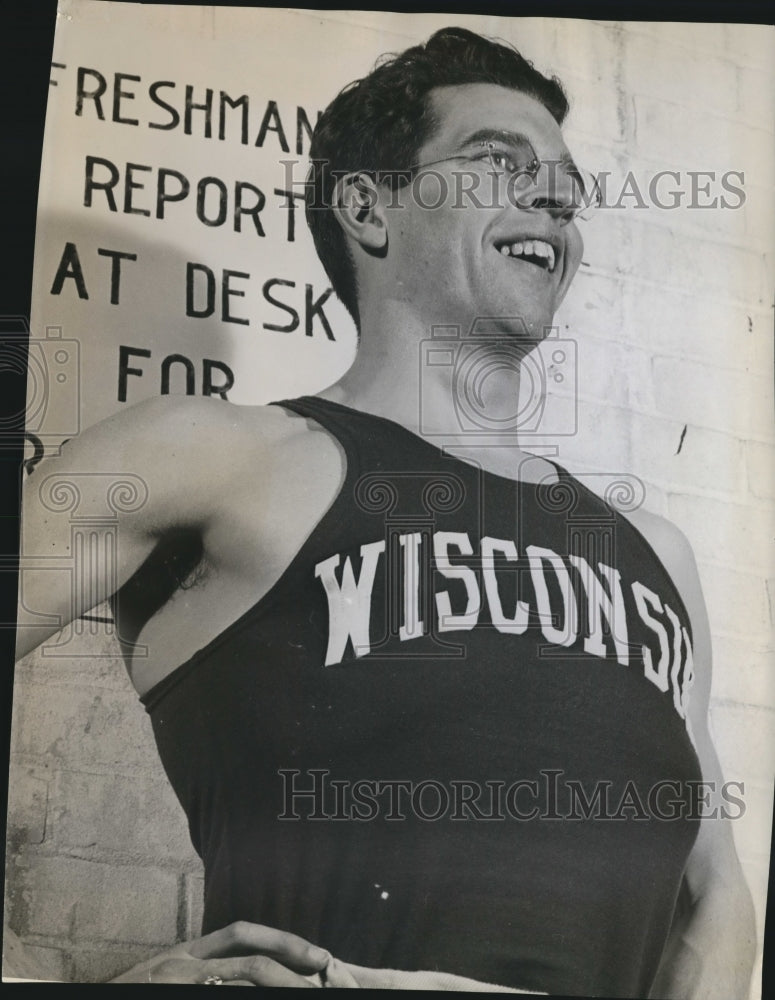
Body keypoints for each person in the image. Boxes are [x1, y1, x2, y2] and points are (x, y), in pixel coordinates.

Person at [13, 27, 755, 996]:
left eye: (568, 185)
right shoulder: (212, 458)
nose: (557, 201)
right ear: (369, 205)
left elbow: (719, 896)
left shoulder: (656, 556)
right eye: (500, 161)